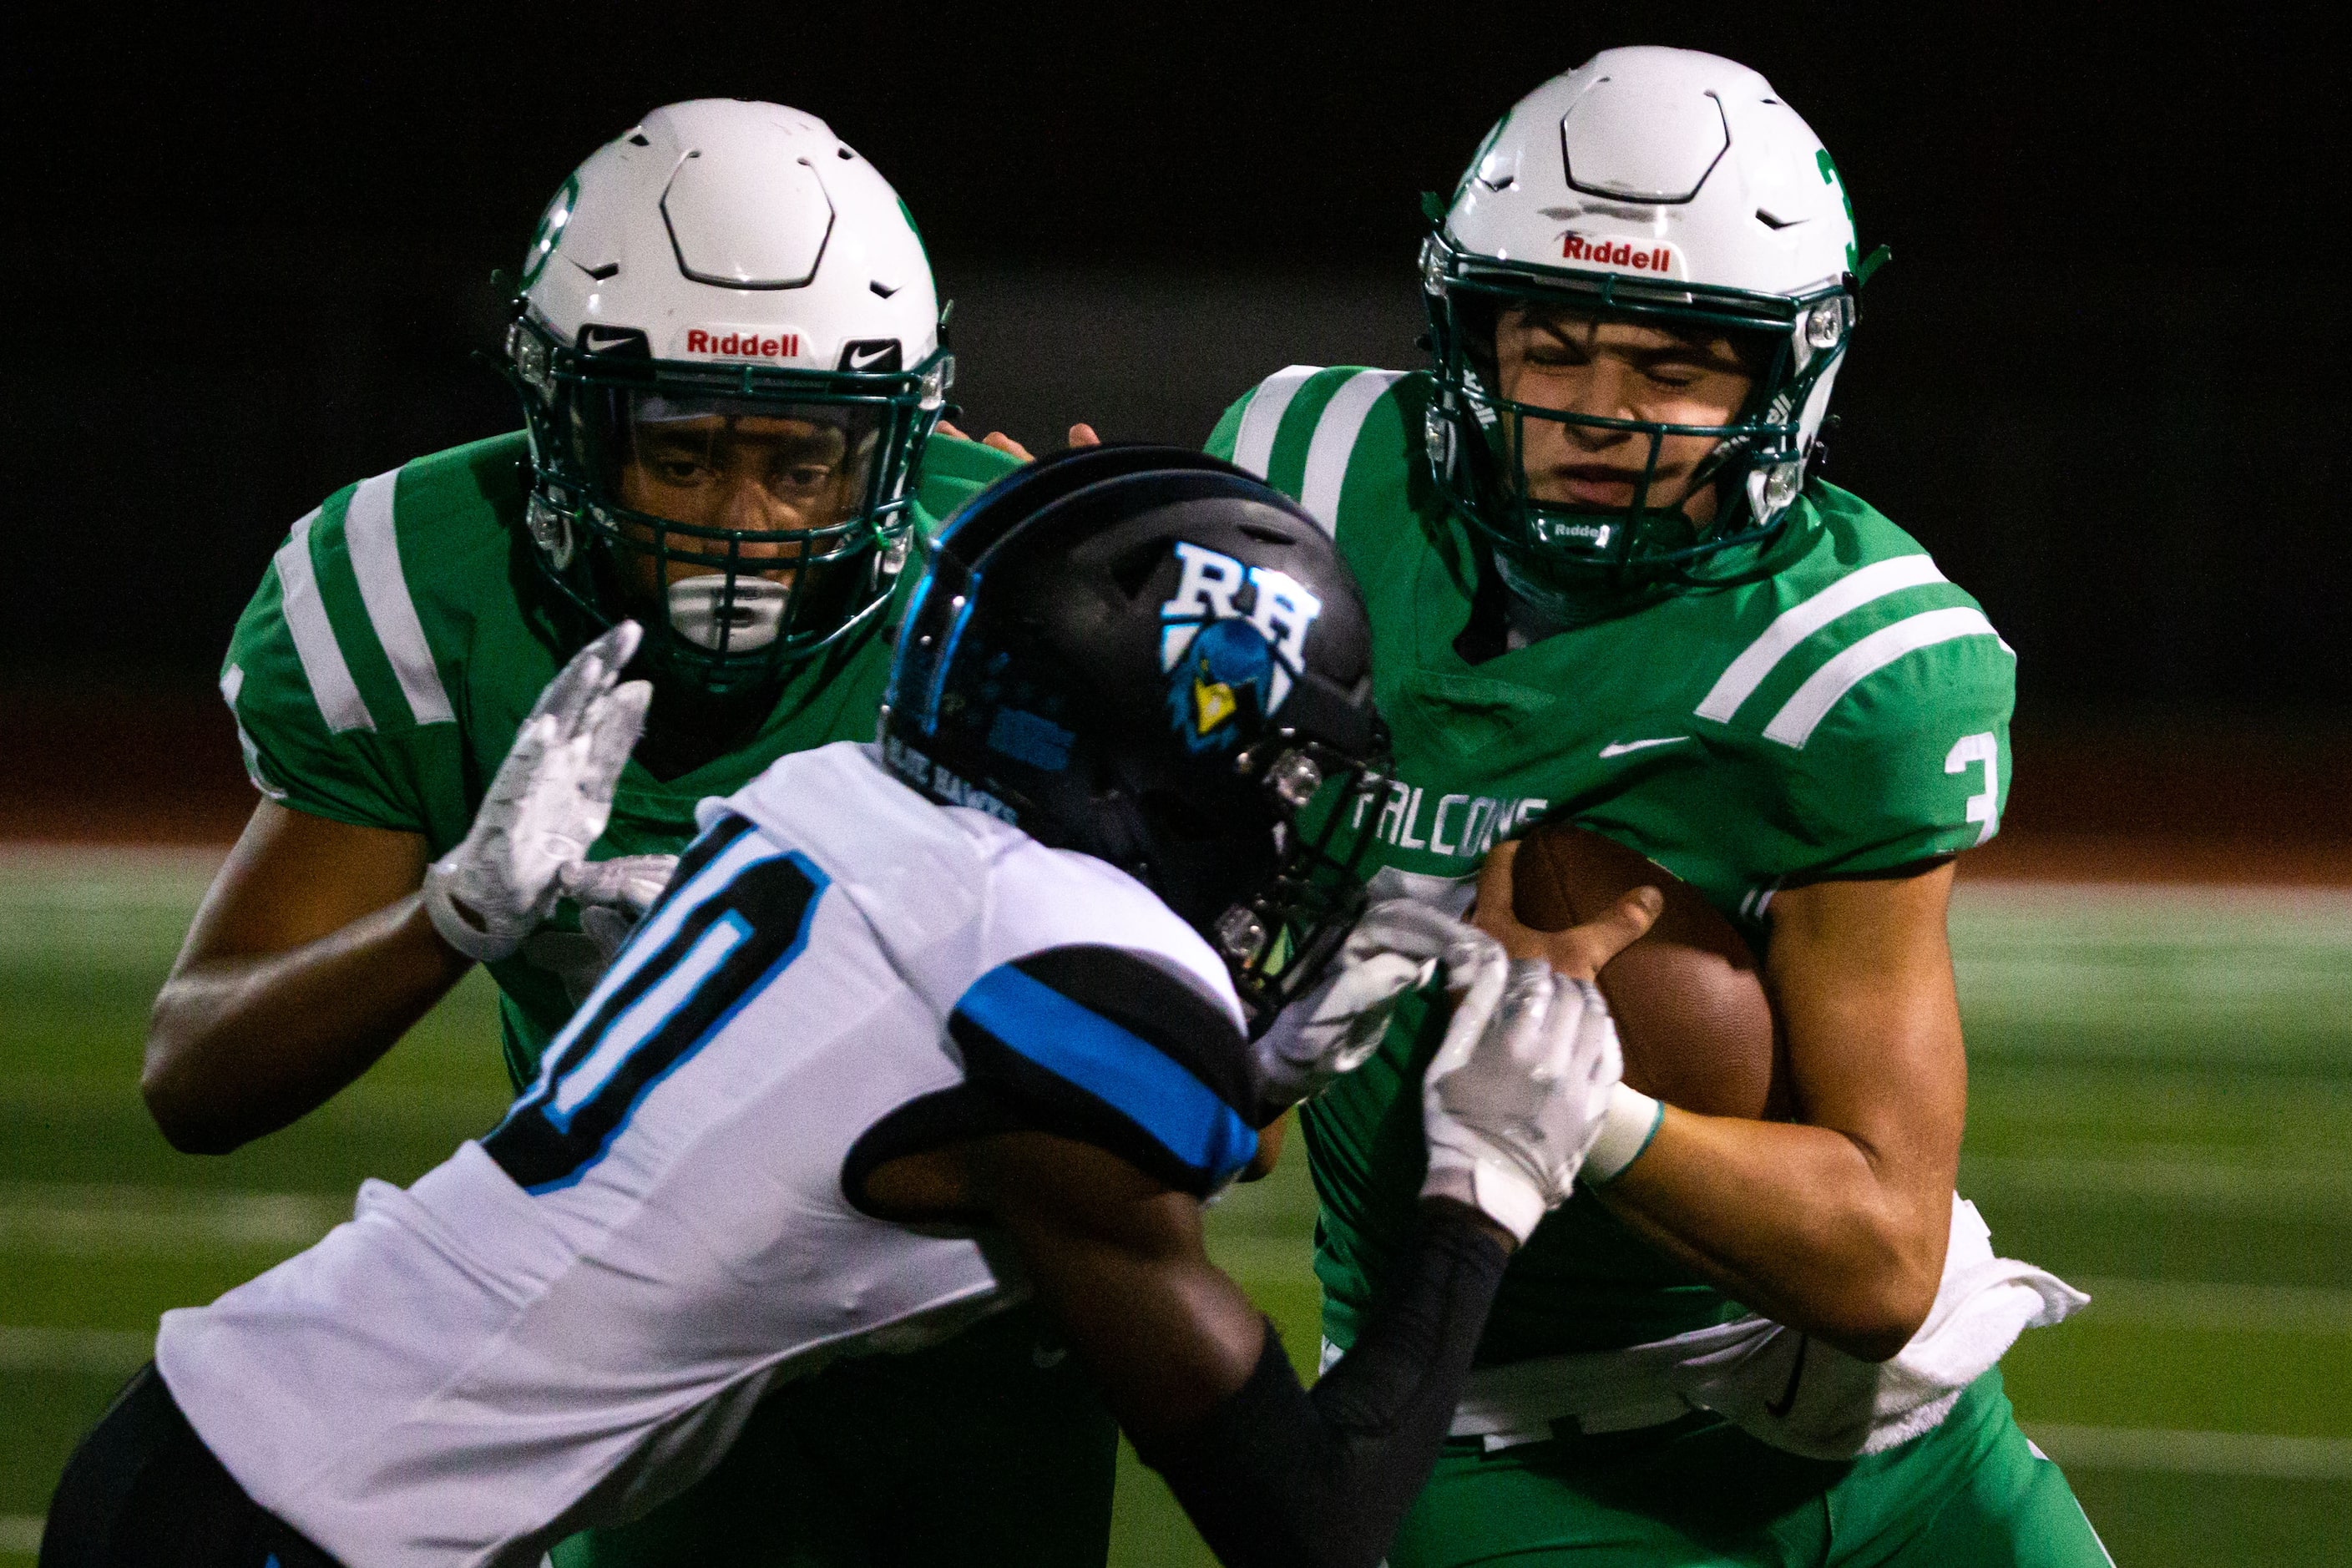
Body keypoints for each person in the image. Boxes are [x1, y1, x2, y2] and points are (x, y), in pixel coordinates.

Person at [47, 446, 1663, 1568]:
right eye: (1277, 757)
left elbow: (939, 1125)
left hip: (230, 1449)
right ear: (1166, 737)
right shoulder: (1064, 984)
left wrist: (1241, 1069)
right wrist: (1480, 1195)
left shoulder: (836, 801)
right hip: (299, 1525)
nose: (1279, 808)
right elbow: (1311, 1524)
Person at [136, 99, 1114, 1567]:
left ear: (898, 447)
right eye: (685, 453)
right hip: (634, 1348)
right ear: (560, 425)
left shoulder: (1019, 598)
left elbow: (1199, 1117)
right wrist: (450, 918)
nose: (745, 524)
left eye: (805, 465)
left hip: (978, 1350)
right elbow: (197, 1078)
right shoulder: (424, 584)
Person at [1205, 47, 2111, 1567]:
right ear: (1463, 333)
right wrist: (1240, 1026)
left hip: (1892, 1427)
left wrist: (1585, 1112)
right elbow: (1226, 1136)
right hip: (1502, 1429)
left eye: (1674, 367)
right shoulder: (1300, 483)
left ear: (1785, 379)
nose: (1597, 410)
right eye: (1549, 346)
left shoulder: (1851, 669)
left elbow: (1886, 1251)